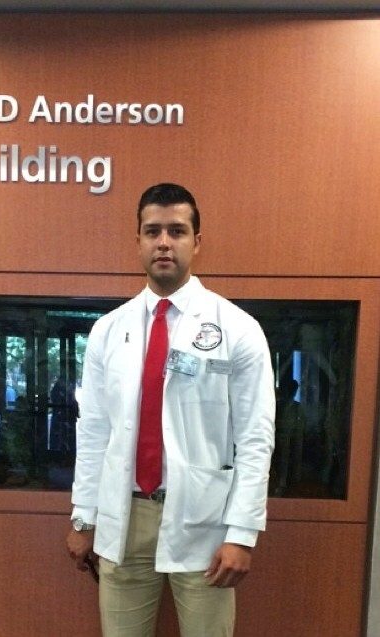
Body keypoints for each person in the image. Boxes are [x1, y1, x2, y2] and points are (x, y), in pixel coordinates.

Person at [66, 183, 275, 637]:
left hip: (205, 521)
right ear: (138, 241)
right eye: (153, 231)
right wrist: (84, 518)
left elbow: (255, 439)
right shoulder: (108, 330)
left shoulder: (237, 329)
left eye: (176, 231)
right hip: (125, 515)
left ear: (196, 242)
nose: (164, 242)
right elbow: (94, 431)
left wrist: (242, 533)